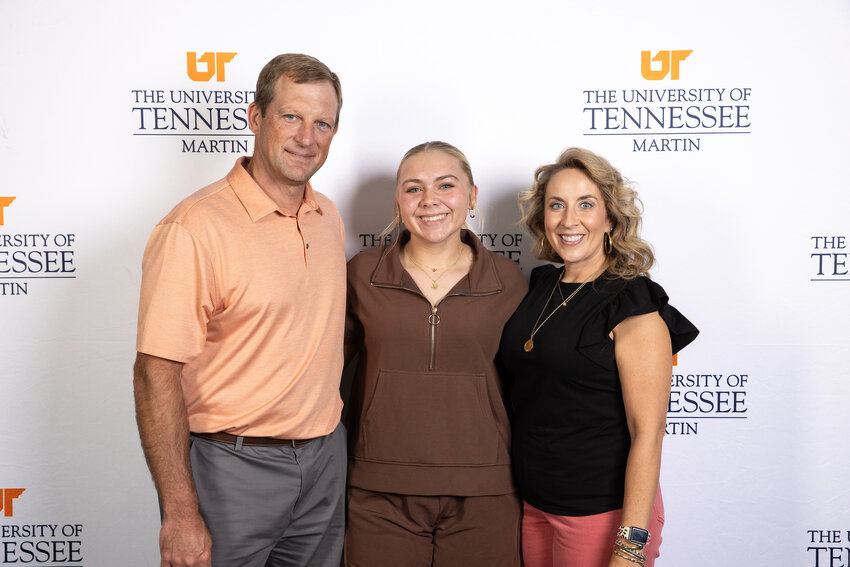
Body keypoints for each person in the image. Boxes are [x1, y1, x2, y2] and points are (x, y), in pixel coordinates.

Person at [133, 53, 346, 567]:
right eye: (291, 117)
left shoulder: (328, 216)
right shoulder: (194, 228)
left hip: (325, 461)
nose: (307, 138)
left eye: (324, 124)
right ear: (256, 118)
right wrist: (180, 514)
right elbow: (154, 372)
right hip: (232, 465)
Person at [499, 148, 699, 567]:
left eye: (586, 205)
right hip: (536, 506)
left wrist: (629, 547)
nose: (569, 220)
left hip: (602, 514)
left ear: (610, 218)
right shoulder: (540, 286)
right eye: (557, 205)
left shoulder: (633, 303)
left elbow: (649, 432)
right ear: (543, 218)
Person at [343, 141, 528, 567]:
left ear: (472, 196)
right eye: (413, 188)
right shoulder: (361, 273)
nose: (430, 201)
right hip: (379, 487)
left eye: (446, 185)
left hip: (486, 488)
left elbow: (529, 385)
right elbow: (324, 370)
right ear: (397, 201)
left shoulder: (509, 279)